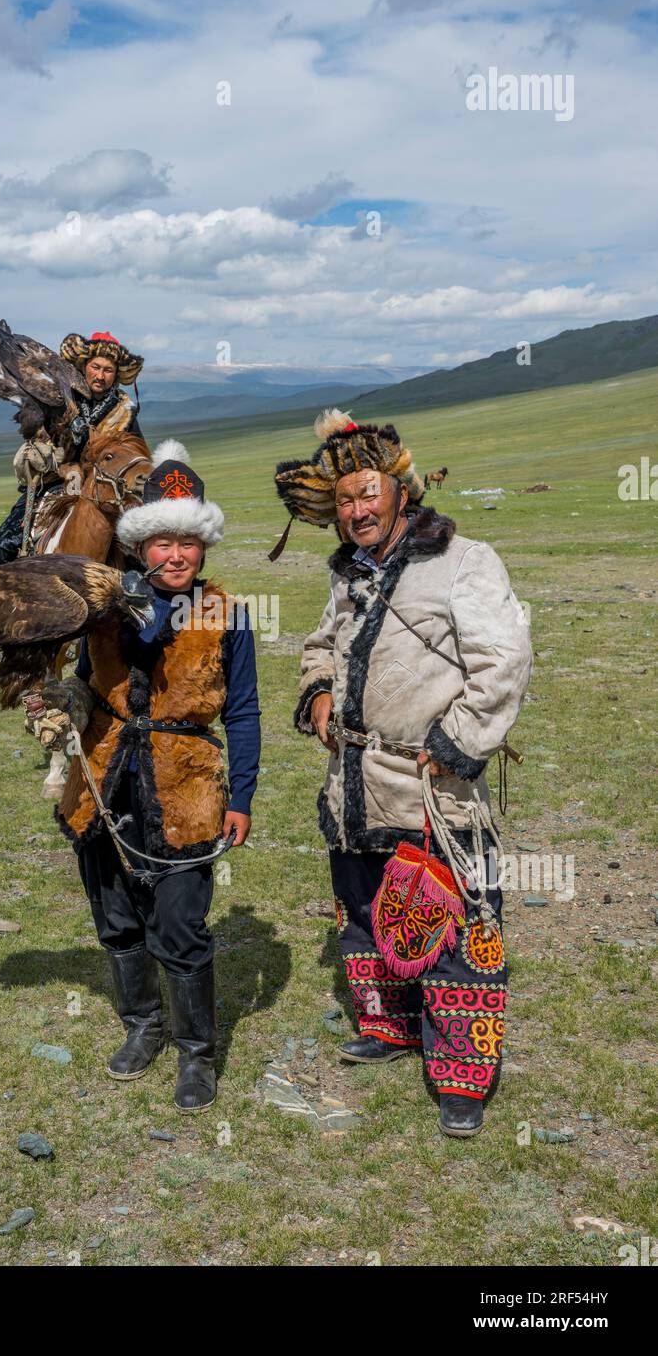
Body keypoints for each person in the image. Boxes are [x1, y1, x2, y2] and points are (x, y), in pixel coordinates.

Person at [274, 409, 532, 1136]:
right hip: (355, 778)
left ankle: (462, 1075)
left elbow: (504, 662)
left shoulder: (464, 562)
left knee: (450, 926)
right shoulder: (350, 573)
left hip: (430, 783)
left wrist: (457, 741)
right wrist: (319, 692)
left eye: (368, 494)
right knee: (363, 910)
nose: (356, 509)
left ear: (400, 492)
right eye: (346, 499)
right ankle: (389, 1026)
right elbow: (320, 644)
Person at [27, 440, 261, 1112]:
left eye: (188, 541)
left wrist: (241, 796)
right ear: (140, 546)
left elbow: (243, 712)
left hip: (185, 783)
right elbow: (79, 681)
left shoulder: (224, 613)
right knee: (116, 918)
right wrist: (59, 708)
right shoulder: (100, 605)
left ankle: (196, 1055)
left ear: (204, 547)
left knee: (181, 926)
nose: (176, 555)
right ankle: (143, 1026)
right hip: (104, 776)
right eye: (161, 541)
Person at [0, 331, 144, 566]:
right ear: (84, 366)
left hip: (107, 486)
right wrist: (53, 462)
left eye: (108, 370)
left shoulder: (124, 411)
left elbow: (136, 454)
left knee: (140, 554)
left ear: (116, 375)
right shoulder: (60, 396)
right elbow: (41, 439)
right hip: (56, 482)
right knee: (4, 545)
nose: (100, 376)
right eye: (96, 367)